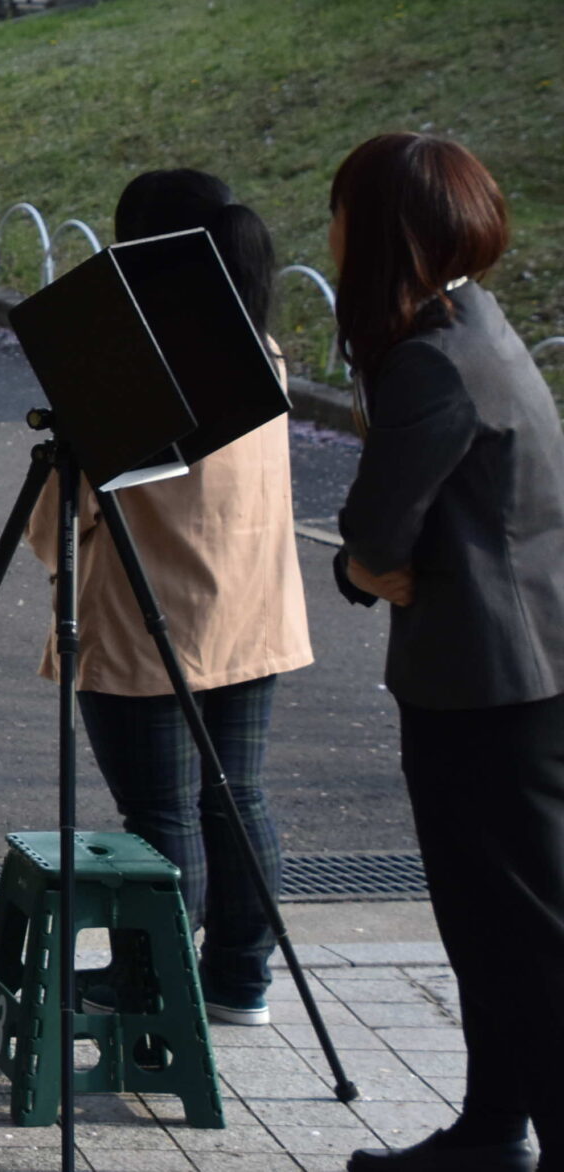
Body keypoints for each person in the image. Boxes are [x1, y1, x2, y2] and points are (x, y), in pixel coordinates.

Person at [326, 134, 564, 1172]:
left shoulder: (429, 360)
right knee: (499, 921)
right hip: (524, 664)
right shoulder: (474, 322)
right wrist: (368, 566)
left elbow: (374, 536)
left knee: (520, 933)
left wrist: (359, 568)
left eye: (341, 212)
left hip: (483, 683)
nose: (330, 233)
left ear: (382, 232)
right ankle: (491, 1127)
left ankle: (519, 1133)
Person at [25, 169, 313, 1027]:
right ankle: (239, 979)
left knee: (158, 810)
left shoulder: (133, 362)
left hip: (148, 623)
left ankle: (148, 986)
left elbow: (56, 519)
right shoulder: (259, 352)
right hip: (253, 614)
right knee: (238, 796)